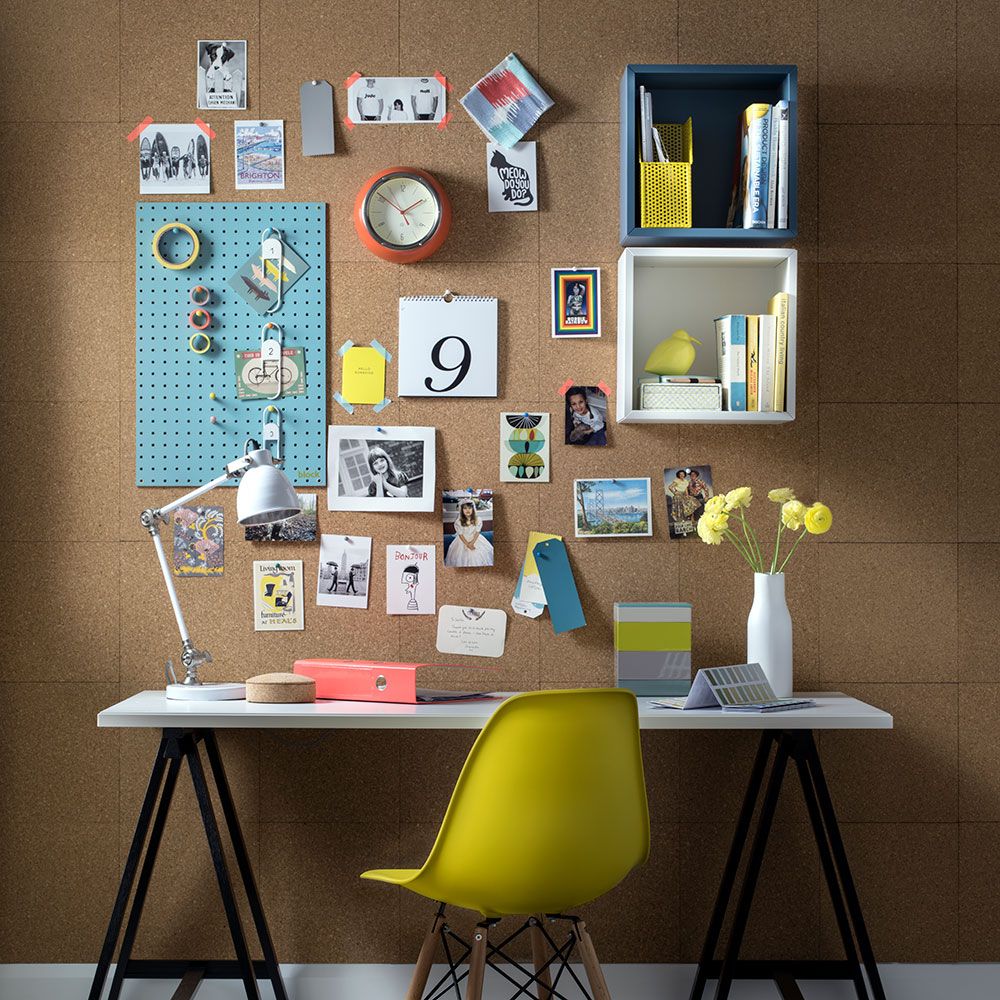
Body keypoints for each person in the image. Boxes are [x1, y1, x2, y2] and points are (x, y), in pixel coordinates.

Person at [444, 501, 494, 567]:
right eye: (465, 508)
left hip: (475, 539)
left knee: (478, 554)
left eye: (470, 508)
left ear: (473, 509)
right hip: (462, 541)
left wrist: (472, 543)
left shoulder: (478, 520)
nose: (467, 510)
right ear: (461, 510)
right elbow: (460, 535)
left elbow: (477, 532)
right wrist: (467, 544)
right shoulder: (458, 522)